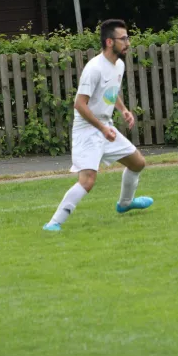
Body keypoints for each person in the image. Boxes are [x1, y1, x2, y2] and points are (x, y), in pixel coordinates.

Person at [43, 19, 153, 231]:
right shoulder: (94, 68)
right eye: (124, 39)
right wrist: (102, 129)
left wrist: (123, 110)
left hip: (106, 127)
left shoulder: (118, 65)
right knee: (87, 180)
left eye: (128, 38)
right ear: (110, 42)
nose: (128, 43)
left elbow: (111, 92)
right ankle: (53, 224)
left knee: (138, 162)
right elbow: (79, 105)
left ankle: (125, 204)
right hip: (87, 129)